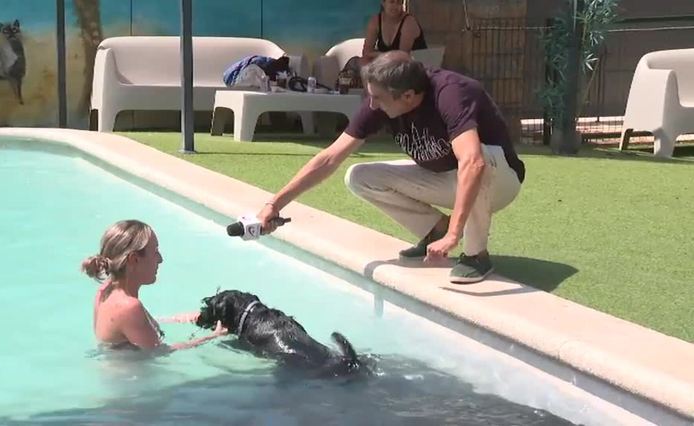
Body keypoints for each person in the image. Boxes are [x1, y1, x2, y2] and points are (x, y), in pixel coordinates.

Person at [257, 51, 525, 284]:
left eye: (378, 98)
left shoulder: (451, 93)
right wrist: (275, 204)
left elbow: (472, 162)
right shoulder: (383, 98)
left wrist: (456, 234)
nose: (372, 105)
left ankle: (476, 255)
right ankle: (433, 229)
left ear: (408, 95)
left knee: (479, 158)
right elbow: (330, 158)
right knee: (360, 176)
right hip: (447, 177)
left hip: (500, 181)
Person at [81, 219, 227, 351]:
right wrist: (213, 336)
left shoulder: (104, 291)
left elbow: (130, 327)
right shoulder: (129, 307)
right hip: (132, 379)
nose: (160, 259)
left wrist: (176, 319)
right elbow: (160, 352)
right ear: (134, 260)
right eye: (155, 251)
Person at [361, 0, 428, 66]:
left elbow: (402, 58)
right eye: (392, 2)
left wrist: (377, 54)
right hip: (387, 66)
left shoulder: (409, 23)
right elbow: (366, 52)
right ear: (383, 3)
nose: (395, 6)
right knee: (355, 62)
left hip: (413, 68)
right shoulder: (375, 21)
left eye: (399, 2)